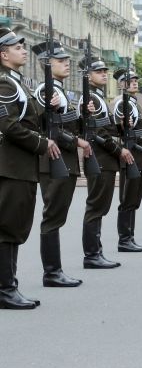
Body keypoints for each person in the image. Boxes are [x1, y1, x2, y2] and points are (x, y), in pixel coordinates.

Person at [0, 28, 57, 309]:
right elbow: (8, 125)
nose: (23, 50)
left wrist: (49, 109)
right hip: (11, 166)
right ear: (3, 54)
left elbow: (28, 119)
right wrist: (41, 143)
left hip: (21, 166)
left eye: (23, 46)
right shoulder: (5, 84)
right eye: (17, 47)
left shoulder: (16, 82)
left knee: (15, 227)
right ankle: (5, 289)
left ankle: (9, 286)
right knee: (7, 228)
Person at [32, 41, 90, 286]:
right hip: (54, 159)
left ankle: (55, 270)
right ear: (46, 64)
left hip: (63, 159)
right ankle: (52, 272)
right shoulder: (45, 90)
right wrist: (76, 141)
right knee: (52, 215)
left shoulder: (59, 90)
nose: (67, 63)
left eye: (67, 60)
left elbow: (66, 123)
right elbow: (47, 128)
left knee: (57, 215)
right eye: (60, 61)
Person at [80, 57, 134, 269]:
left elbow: (106, 128)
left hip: (105, 159)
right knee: (96, 207)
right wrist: (119, 150)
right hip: (99, 158)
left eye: (104, 71)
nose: (104, 74)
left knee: (100, 207)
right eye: (98, 71)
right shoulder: (90, 98)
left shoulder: (98, 97)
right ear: (88, 76)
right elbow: (97, 132)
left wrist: (120, 126)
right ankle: (92, 254)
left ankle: (96, 252)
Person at [112, 68, 142, 253]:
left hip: (139, 155)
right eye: (130, 80)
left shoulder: (134, 103)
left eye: (136, 80)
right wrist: (122, 126)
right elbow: (120, 130)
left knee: (134, 199)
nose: (134, 82)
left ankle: (130, 237)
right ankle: (124, 239)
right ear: (122, 84)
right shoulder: (122, 103)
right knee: (127, 198)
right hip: (131, 155)